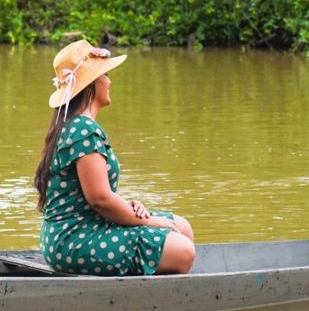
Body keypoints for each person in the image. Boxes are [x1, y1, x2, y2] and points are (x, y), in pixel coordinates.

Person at [34, 39, 196, 275]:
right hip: (74, 240)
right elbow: (99, 199)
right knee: (183, 250)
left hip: (87, 228)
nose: (109, 81)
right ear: (92, 84)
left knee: (182, 228)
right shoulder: (82, 129)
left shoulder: (78, 126)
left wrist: (130, 207)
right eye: (106, 75)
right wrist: (147, 221)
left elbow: (97, 194)